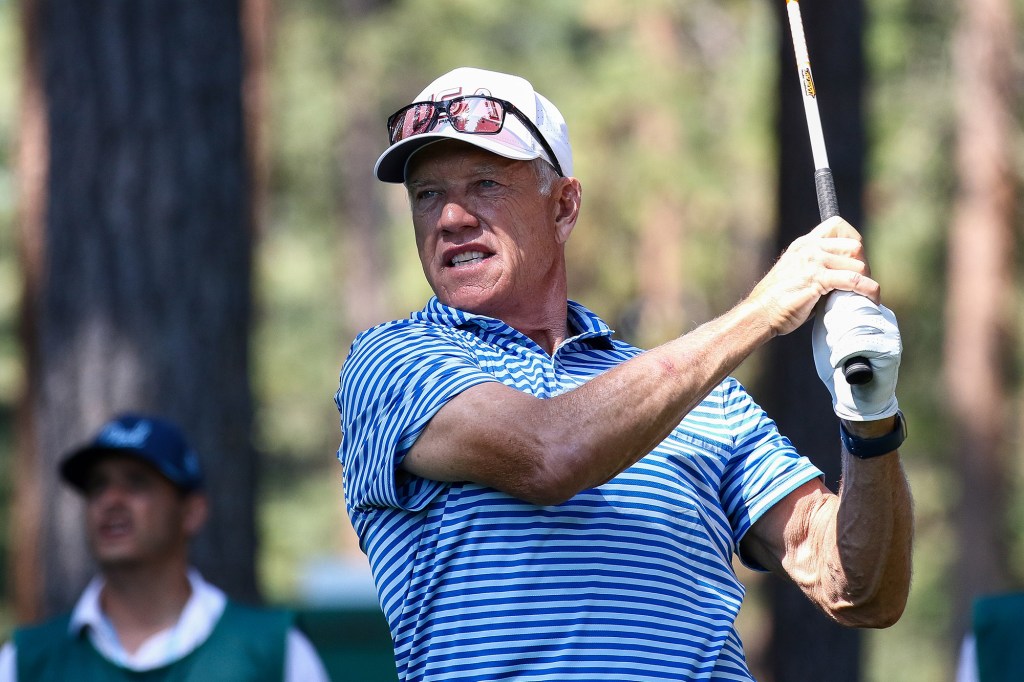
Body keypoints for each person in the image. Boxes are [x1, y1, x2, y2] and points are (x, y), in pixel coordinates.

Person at [335, 66, 913, 681]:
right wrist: (761, 312)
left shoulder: (705, 395)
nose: (450, 217)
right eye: (427, 194)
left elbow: (860, 589)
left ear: (563, 206)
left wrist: (869, 418)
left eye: (484, 184)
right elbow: (548, 452)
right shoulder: (391, 360)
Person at [0, 413, 330, 682]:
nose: (111, 500)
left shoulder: (274, 652)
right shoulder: (25, 662)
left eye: (136, 481)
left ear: (191, 512)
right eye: (97, 485)